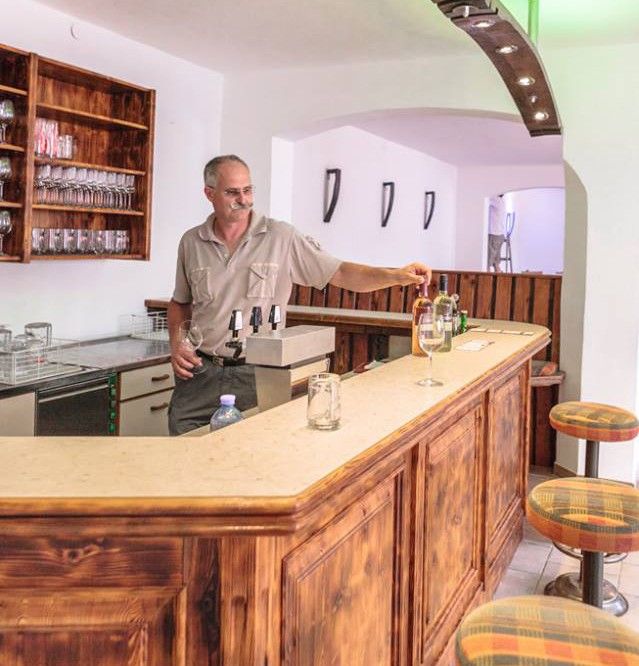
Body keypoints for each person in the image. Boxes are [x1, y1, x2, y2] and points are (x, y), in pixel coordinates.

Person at [168, 154, 432, 435]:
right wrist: (177, 342)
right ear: (209, 193)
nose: (244, 199)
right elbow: (179, 304)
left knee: (252, 453)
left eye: (248, 190)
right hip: (199, 372)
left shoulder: (281, 236)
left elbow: (340, 273)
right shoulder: (191, 241)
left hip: (257, 374)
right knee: (182, 449)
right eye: (232, 192)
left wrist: (395, 276)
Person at [487, 194, 507, 272]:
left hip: (494, 233)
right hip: (501, 234)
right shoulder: (502, 201)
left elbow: (485, 198)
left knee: (488, 259)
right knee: (496, 260)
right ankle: (498, 271)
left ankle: (487, 273)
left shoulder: (495, 199)